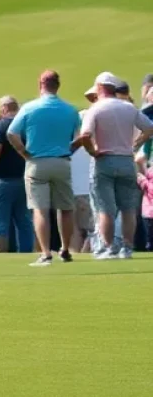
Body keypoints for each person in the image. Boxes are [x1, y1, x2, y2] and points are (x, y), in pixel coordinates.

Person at [7, 70, 80, 266]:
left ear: (41, 84)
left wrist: (23, 153)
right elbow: (79, 137)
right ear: (58, 85)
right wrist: (68, 149)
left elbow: (11, 133)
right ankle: (65, 249)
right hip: (62, 161)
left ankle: (46, 252)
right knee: (65, 208)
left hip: (37, 162)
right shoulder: (70, 110)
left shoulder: (29, 108)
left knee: (40, 209)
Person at [78, 71, 153, 260]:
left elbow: (85, 135)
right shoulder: (129, 108)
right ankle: (127, 247)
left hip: (104, 160)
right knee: (128, 208)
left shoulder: (96, 109)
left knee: (105, 208)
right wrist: (137, 143)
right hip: (126, 160)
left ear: (100, 88)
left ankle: (109, 247)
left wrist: (92, 151)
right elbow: (149, 127)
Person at [0, 96, 34, 254]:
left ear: (3, 108)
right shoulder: (26, 124)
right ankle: (27, 252)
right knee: (24, 220)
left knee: (1, 220)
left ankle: (3, 254)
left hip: (4, 180)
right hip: (25, 178)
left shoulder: (0, 126)